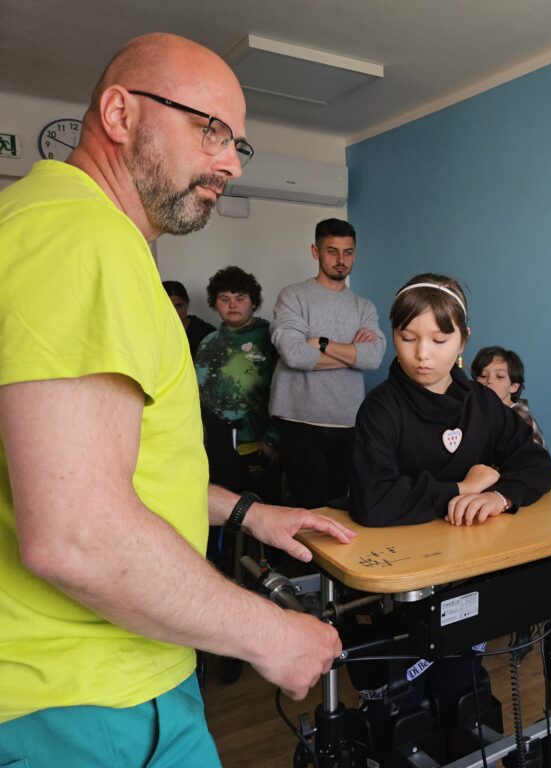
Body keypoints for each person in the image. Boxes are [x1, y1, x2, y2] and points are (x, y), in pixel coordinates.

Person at [0, 33, 355, 768]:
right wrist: (271, 634)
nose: (230, 162)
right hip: (87, 703)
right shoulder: (81, 238)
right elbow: (78, 535)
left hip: (107, 684)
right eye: (210, 130)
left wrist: (249, 512)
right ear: (120, 113)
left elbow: (110, 473)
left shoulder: (55, 224)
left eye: (238, 144)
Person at [351, 274, 551, 527]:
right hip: (402, 546)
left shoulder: (484, 402)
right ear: (393, 336)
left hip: (474, 541)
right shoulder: (379, 408)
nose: (422, 354)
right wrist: (463, 488)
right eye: (408, 338)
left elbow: (537, 463)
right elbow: (372, 501)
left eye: (439, 340)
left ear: (463, 341)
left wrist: (500, 497)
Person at [269, 218, 385, 509]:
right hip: (299, 420)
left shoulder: (364, 306)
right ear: (315, 251)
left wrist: (320, 343)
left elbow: (373, 357)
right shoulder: (293, 296)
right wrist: (352, 356)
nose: (341, 260)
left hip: (347, 420)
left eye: (348, 252)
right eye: (332, 251)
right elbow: (294, 354)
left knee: (338, 508)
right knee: (307, 510)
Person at [195, 266, 280, 502]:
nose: (232, 305)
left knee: (261, 510)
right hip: (216, 446)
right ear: (215, 303)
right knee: (220, 509)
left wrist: (273, 438)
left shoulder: (271, 339)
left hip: (259, 446)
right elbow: (197, 394)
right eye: (224, 299)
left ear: (253, 302)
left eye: (240, 298)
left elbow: (285, 391)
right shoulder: (208, 343)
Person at [471, 346, 548, 450]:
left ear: (514, 386)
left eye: (499, 376)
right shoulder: (479, 411)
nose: (489, 381)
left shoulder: (521, 419)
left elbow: (533, 457)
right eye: (483, 376)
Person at [164, 278, 217, 358]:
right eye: (168, 307)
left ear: (187, 303)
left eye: (179, 306)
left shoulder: (206, 334)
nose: (175, 313)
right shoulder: (151, 333)